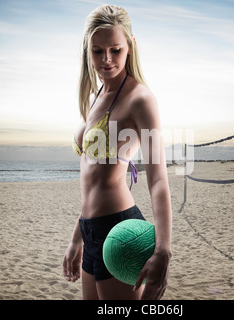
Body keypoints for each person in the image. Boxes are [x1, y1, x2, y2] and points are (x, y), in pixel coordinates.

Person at [62, 4, 172, 300]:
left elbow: (158, 179)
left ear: (130, 48)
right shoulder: (95, 95)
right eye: (98, 51)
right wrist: (77, 239)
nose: (106, 60)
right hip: (90, 231)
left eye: (115, 50)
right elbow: (92, 181)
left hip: (121, 234)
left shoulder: (140, 99)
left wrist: (163, 250)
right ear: (88, 50)